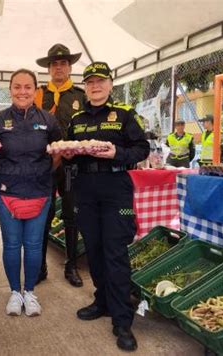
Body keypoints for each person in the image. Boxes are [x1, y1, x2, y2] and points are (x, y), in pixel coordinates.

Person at [64, 62, 149, 351]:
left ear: (110, 84)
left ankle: (122, 319)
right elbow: (68, 155)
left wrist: (117, 153)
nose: (95, 86)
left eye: (100, 81)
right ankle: (101, 301)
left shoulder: (124, 114)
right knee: (94, 250)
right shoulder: (76, 119)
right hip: (85, 189)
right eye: (90, 82)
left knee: (115, 252)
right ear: (85, 87)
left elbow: (142, 149)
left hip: (116, 189)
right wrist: (68, 153)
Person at [0, 69, 62, 317]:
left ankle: (30, 292)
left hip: (40, 191)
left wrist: (43, 173)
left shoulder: (49, 120)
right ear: (10, 90)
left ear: (36, 90)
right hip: (6, 193)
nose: (22, 91)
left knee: (35, 246)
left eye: (28, 87)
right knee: (12, 245)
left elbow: (58, 151)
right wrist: (1, 175)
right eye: (17, 87)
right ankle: (15, 293)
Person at [34, 43, 85, 287]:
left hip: (72, 166)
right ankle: (40, 265)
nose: (59, 67)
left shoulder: (80, 96)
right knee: (43, 214)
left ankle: (72, 265)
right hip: (44, 165)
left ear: (70, 66)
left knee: (72, 215)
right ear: (49, 68)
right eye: (54, 63)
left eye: (63, 63)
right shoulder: (38, 94)